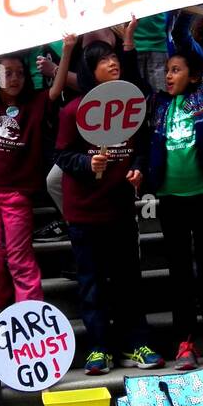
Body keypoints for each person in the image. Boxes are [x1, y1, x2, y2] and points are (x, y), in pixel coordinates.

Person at [54, 27, 162, 376]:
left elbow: (142, 146)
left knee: (129, 280)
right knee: (92, 282)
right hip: (84, 213)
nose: (113, 63)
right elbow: (62, 155)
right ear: (90, 70)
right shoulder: (72, 111)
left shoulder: (132, 106)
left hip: (119, 208)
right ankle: (99, 348)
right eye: (104, 61)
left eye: (115, 58)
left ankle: (137, 343)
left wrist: (137, 169)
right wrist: (87, 164)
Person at [146, 0, 203, 371]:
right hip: (170, 198)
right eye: (166, 70)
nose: (169, 76)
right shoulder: (158, 105)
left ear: (194, 76)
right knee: (179, 271)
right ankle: (184, 343)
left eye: (176, 70)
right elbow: (138, 68)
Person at [0, 12, 73, 308]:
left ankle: (28, 312)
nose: (13, 78)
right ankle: (2, 307)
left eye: (19, 73)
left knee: (19, 258)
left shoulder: (36, 102)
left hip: (17, 194)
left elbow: (56, 86)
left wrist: (66, 51)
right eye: (6, 73)